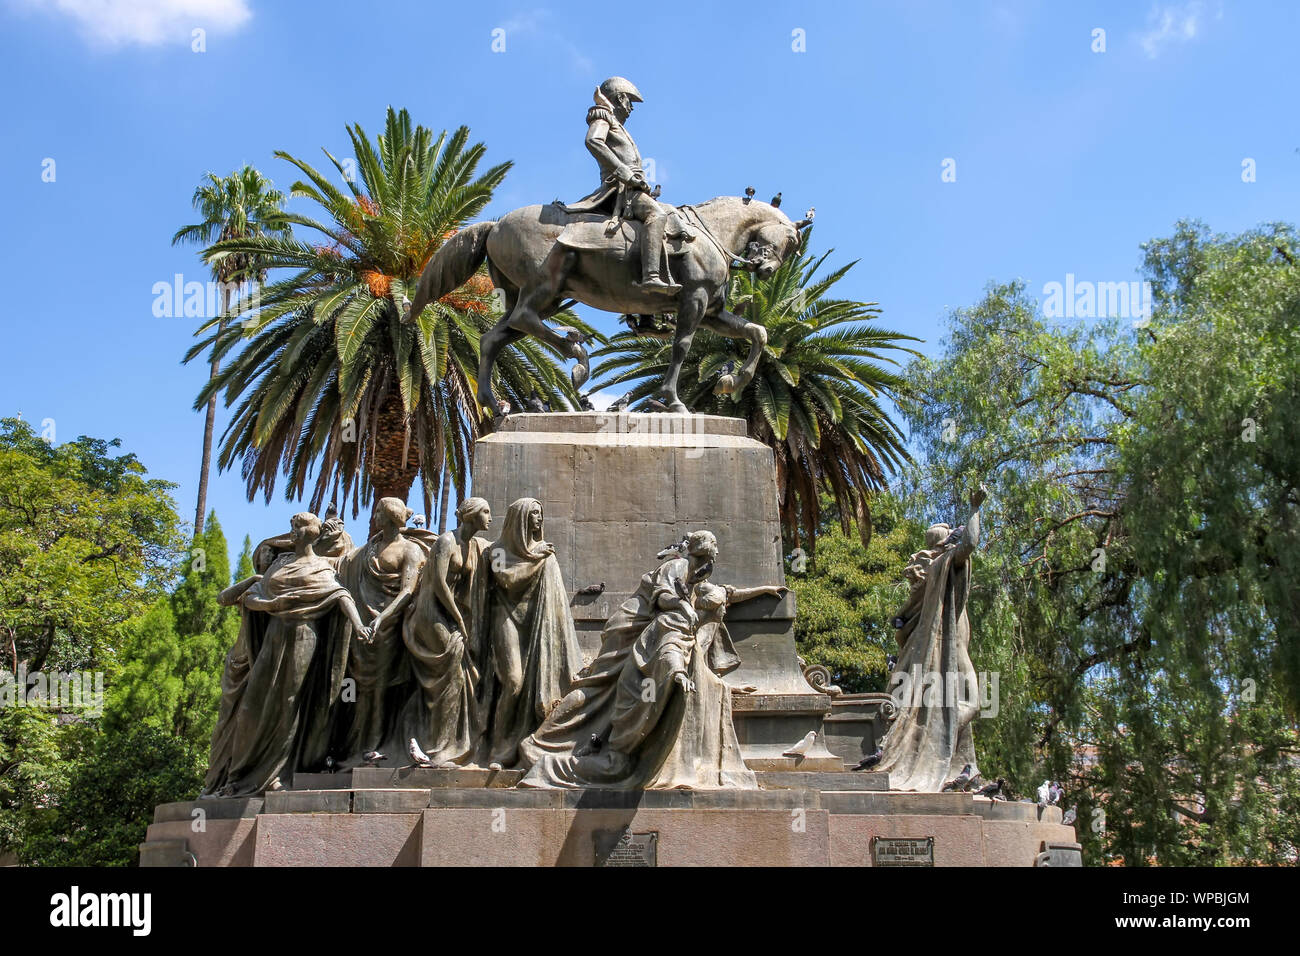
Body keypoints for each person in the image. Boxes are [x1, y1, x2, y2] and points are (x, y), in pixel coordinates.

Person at [518, 531, 772, 789]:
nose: (718, 551)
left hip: (653, 638)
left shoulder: (698, 580)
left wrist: (766, 590)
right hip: (629, 629)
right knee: (595, 689)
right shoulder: (677, 566)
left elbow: (728, 594)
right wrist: (683, 607)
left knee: (608, 697)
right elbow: (662, 597)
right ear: (706, 549)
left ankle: (588, 745)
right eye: (715, 545)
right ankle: (541, 743)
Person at [201, 512, 371, 797]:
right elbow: (247, 596)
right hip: (274, 637)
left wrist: (359, 626)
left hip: (304, 637)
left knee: (289, 703)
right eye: (291, 527)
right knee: (252, 705)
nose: (291, 532)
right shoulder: (280, 563)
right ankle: (240, 776)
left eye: (296, 528)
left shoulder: (322, 568)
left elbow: (341, 596)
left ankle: (279, 773)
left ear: (309, 533)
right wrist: (271, 604)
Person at [876, 484, 988, 792]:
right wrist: (975, 508)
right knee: (974, 703)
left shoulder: (938, 574)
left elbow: (901, 623)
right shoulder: (943, 565)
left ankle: (939, 742)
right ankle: (937, 737)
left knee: (972, 702)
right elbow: (970, 544)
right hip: (948, 653)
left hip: (948, 653)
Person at [479, 498, 584, 769]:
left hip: (537, 623)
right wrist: (537, 558)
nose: (539, 519)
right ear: (519, 518)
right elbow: (507, 579)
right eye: (534, 514)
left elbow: (558, 604)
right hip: (507, 619)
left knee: (535, 681)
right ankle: (499, 749)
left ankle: (531, 741)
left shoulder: (545, 554)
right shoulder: (498, 551)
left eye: (541, 514)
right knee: (513, 682)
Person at [559, 76, 679, 295]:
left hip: (634, 188)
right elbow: (593, 141)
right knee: (658, 216)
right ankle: (651, 276)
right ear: (620, 98)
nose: (631, 108)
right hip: (620, 191)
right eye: (629, 102)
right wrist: (623, 171)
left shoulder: (620, 127)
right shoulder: (603, 116)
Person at [333, 497, 428, 764]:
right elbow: (342, 565)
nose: (374, 514)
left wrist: (383, 618)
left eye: (378, 511)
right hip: (362, 628)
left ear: (391, 516)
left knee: (380, 689)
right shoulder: (369, 548)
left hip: (389, 628)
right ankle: (354, 745)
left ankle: (377, 742)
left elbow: (408, 591)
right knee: (356, 689)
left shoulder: (410, 550)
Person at [400, 497, 492, 767]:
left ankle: (454, 740)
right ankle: (439, 745)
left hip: (450, 614)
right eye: (485, 511)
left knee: (460, 669)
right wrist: (460, 621)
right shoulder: (446, 541)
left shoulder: (473, 545)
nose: (490, 517)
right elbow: (439, 584)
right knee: (453, 662)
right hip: (431, 612)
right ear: (471, 515)